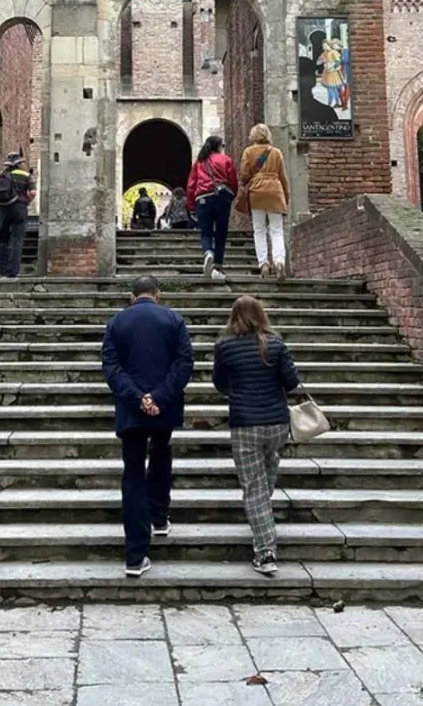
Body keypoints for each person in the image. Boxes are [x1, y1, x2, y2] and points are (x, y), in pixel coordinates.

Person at [101, 274, 194, 577]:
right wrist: (159, 397)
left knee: (133, 473)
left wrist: (138, 398)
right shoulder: (174, 320)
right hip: (163, 407)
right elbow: (184, 365)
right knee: (162, 454)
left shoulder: (117, 323)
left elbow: (111, 369)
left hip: (131, 409)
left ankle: (135, 554)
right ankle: (159, 516)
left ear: (132, 296)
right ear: (158, 294)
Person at [212, 295, 301, 576]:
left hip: (245, 422)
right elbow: (292, 382)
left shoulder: (224, 346)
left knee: (254, 486)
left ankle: (265, 551)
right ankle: (262, 519)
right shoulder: (275, 343)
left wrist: (237, 390)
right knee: (267, 471)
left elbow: (219, 383)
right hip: (276, 422)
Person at [239, 123, 291, 281]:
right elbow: (283, 177)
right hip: (275, 191)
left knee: (259, 230)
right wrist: (286, 197)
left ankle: (263, 264)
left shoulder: (248, 152)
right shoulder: (276, 152)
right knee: (276, 230)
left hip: (256, 192)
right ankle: (280, 262)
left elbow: (244, 175)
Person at [186, 134, 238, 282]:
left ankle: (208, 252)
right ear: (219, 147)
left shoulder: (199, 162)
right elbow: (233, 181)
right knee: (221, 235)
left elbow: (191, 185)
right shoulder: (226, 160)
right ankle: (217, 266)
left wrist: (190, 205)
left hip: (203, 199)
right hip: (221, 199)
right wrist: (231, 196)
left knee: (206, 233)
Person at [0, 152, 36, 278]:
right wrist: (26, 202)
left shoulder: (0, 175)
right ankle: (12, 271)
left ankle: (2, 269)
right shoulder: (26, 175)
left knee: (2, 238)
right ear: (19, 163)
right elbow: (32, 192)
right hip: (19, 208)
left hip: (3, 208)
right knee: (17, 239)